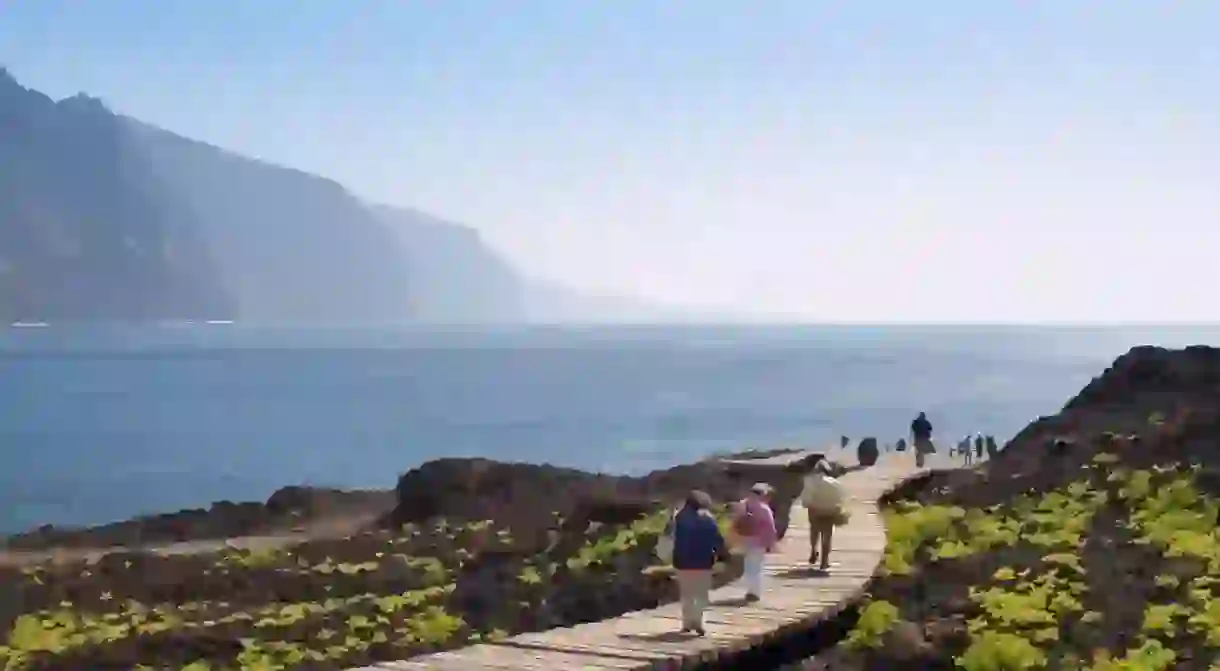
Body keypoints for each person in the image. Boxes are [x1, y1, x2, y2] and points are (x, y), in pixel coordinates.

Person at [671, 489, 729, 636]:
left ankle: (687, 624)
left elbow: (672, 539)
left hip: (682, 563)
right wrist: (723, 556)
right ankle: (698, 621)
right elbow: (717, 540)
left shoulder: (679, 518)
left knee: (686, 594)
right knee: (701, 594)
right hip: (704, 562)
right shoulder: (709, 519)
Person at [733, 482, 778, 603]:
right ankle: (755, 592)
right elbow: (770, 528)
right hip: (759, 542)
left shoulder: (742, 505)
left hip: (744, 540)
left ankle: (750, 590)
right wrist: (772, 543)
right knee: (757, 567)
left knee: (748, 567)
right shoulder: (764, 508)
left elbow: (735, 523)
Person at [800, 460, 846, 571]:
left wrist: (806, 504)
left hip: (815, 511)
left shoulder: (809, 481)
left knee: (814, 530)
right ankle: (825, 561)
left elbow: (806, 498)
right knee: (827, 535)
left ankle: (813, 549)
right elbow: (841, 497)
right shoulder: (835, 483)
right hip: (830, 511)